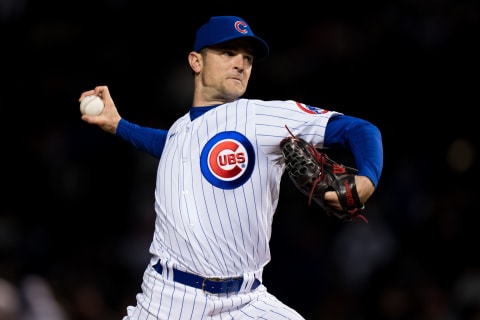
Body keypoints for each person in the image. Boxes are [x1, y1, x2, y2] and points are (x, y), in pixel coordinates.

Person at [79, 15, 383, 320]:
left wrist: (367, 179)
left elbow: (360, 130)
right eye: (228, 53)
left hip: (246, 301)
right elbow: (166, 143)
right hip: (165, 299)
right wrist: (119, 126)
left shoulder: (262, 117)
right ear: (196, 62)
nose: (241, 63)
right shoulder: (180, 130)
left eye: (247, 58)